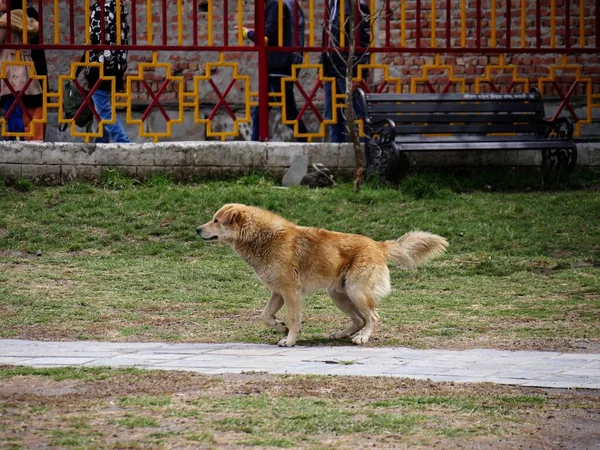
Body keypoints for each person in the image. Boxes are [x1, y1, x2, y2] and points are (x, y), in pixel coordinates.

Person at [240, 0, 308, 142]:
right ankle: (255, 149)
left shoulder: (275, 4)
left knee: (289, 114)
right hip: (284, 63)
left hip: (279, 65)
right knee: (259, 112)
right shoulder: (289, 3)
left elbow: (266, 37)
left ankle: (306, 146)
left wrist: (247, 33)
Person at [321, 0, 371, 143]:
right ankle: (336, 152)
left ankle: (365, 150)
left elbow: (364, 40)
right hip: (332, 67)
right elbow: (326, 38)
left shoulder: (357, 4)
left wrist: (360, 73)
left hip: (348, 68)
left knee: (356, 113)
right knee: (332, 114)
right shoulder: (331, 3)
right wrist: (322, 66)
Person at [85, 0, 130, 143]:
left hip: (101, 65)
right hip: (115, 64)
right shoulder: (118, 7)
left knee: (104, 110)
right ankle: (101, 145)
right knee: (102, 108)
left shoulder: (101, 9)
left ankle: (125, 144)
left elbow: (95, 38)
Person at [0, 0, 43, 140]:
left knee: (12, 110)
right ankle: (19, 141)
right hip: (25, 70)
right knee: (17, 109)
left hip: (9, 70)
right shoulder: (25, 19)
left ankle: (15, 143)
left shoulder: (5, 21)